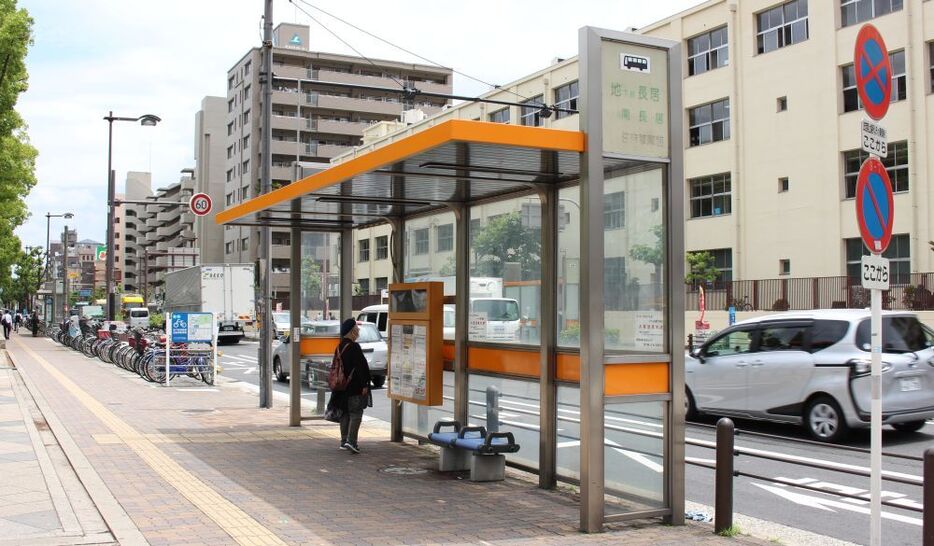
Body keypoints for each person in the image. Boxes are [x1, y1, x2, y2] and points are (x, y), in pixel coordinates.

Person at [327, 318, 372, 454]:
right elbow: (361, 368)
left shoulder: (340, 346)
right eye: (356, 329)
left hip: (342, 387)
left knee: (345, 413)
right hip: (354, 387)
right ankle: (351, 441)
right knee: (356, 413)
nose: (358, 331)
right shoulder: (354, 347)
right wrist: (364, 384)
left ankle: (343, 441)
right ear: (352, 331)